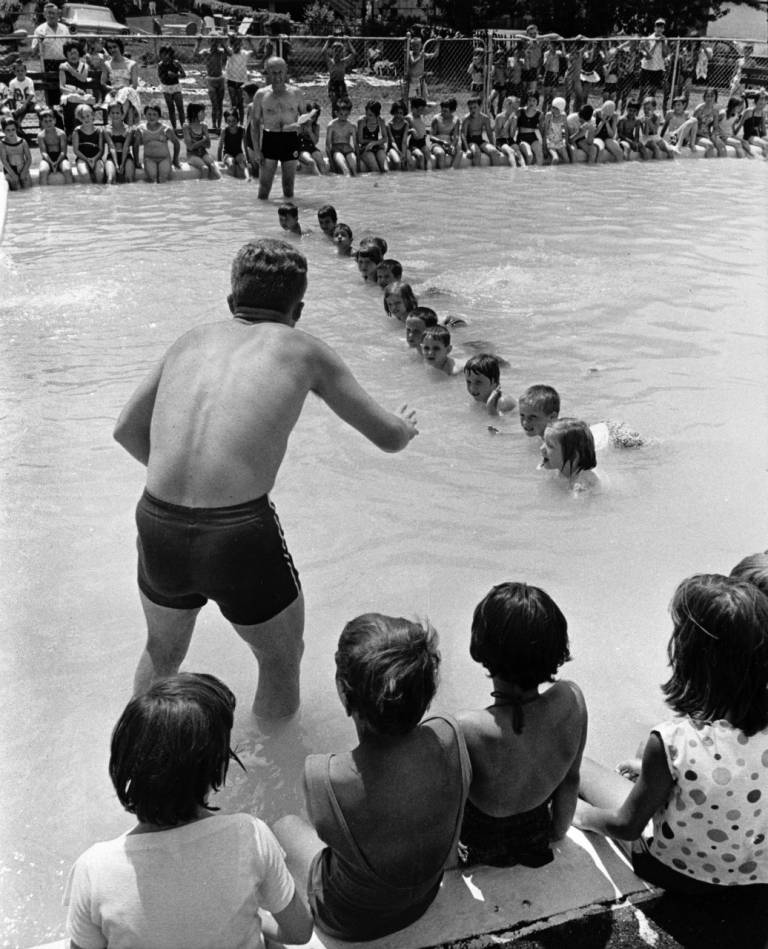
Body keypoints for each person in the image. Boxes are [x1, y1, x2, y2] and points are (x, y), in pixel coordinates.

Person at [113, 240, 418, 719]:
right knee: (279, 660)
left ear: (231, 301)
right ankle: (272, 775)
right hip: (237, 533)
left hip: (158, 520)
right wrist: (406, 425)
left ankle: (139, 770)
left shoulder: (190, 340)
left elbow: (125, 430)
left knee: (162, 650)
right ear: (297, 310)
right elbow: (388, 437)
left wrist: (185, 492)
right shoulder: (305, 349)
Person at [64, 673, 313, 949]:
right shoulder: (250, 835)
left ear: (124, 762)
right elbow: (299, 932)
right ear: (216, 768)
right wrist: (254, 918)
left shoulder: (94, 868)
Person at [273, 614, 471, 940]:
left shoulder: (323, 775)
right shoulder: (449, 734)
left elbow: (334, 838)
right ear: (429, 691)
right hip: (424, 898)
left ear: (341, 690)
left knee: (283, 825)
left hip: (347, 921)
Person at [576, 574, 768, 898]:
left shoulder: (673, 740)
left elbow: (627, 826)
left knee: (580, 766)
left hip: (675, 873)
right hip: (754, 885)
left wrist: (579, 815)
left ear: (691, 659)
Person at [457, 582, 587, 867]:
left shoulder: (466, 729)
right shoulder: (571, 699)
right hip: (536, 838)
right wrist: (556, 833)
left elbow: (445, 812)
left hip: (480, 849)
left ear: (480, 646)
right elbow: (571, 780)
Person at [251, 57, 304, 200]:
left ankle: (289, 216)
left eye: (280, 72)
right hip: (270, 139)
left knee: (288, 188)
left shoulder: (296, 93)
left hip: (290, 139)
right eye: (273, 73)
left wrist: (300, 126)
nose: (277, 76)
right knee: (264, 189)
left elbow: (305, 119)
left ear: (286, 71)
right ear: (267, 72)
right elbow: (255, 125)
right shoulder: (261, 95)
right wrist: (257, 151)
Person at [539, 418, 600, 493]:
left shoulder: (584, 481)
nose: (541, 448)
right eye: (544, 441)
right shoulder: (559, 468)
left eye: (550, 445)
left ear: (573, 455)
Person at [31, 2, 70, 106]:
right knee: (50, 92)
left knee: (65, 91)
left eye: (53, 13)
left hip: (64, 63)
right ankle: (53, 116)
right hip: (48, 64)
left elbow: (70, 47)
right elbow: (33, 53)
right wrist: (40, 41)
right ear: (44, 15)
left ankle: (66, 116)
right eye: (48, 13)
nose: (51, 15)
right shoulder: (39, 30)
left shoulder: (65, 29)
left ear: (58, 14)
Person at [136, 102, 180, 183]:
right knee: (152, 178)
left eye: (154, 114)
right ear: (144, 115)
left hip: (164, 158)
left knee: (163, 178)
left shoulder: (166, 129)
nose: (151, 117)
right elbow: (136, 146)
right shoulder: (141, 129)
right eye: (149, 114)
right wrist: (136, 161)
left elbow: (176, 143)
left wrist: (175, 159)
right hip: (149, 159)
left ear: (159, 116)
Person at [194, 35, 228, 135]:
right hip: (211, 80)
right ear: (209, 42)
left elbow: (229, 53)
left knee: (220, 104)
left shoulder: (221, 52)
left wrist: (223, 43)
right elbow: (195, 55)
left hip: (220, 79)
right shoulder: (206, 52)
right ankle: (213, 125)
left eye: (216, 41)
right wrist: (198, 42)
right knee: (214, 104)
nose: (214, 43)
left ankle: (218, 125)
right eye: (212, 41)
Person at [103, 38, 141, 126]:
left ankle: (118, 123)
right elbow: (103, 83)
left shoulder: (132, 64)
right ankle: (118, 126)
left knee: (125, 95)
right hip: (113, 92)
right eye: (109, 48)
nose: (112, 50)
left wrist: (122, 90)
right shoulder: (106, 64)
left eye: (114, 47)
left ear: (120, 47)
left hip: (129, 92)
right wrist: (112, 88)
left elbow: (134, 84)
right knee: (113, 100)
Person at [183, 102, 221, 179]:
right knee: (205, 168)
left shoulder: (204, 125)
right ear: (195, 113)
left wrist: (200, 142)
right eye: (202, 112)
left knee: (213, 167)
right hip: (191, 155)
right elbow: (190, 147)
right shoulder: (187, 126)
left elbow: (208, 145)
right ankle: (202, 189)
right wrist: (203, 141)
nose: (205, 114)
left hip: (203, 153)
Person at [36, 108, 73, 184]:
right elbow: (43, 152)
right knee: (42, 171)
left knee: (67, 170)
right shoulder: (41, 135)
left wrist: (57, 162)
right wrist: (51, 162)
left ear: (54, 121)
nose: (48, 123)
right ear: (41, 123)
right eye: (45, 121)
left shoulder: (61, 134)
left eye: (50, 121)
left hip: (61, 157)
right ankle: (44, 193)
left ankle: (70, 192)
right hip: (48, 158)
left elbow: (63, 152)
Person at [462, 95, 501, 166]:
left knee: (493, 151)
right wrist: (467, 149)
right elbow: (463, 135)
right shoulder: (466, 119)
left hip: (479, 140)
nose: (472, 110)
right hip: (470, 140)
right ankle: (476, 174)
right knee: (477, 152)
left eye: (475, 107)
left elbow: (489, 133)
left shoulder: (485, 118)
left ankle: (496, 174)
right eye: (470, 108)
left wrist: (493, 145)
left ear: (480, 107)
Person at [639, 18, 669, 109]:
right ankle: (637, 111)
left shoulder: (664, 39)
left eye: (662, 27)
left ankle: (649, 113)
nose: (659, 29)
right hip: (646, 68)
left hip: (658, 69)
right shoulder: (648, 39)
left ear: (663, 29)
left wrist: (663, 43)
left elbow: (665, 54)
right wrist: (656, 43)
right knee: (642, 91)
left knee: (652, 93)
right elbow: (648, 56)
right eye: (658, 26)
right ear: (654, 27)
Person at [103, 101, 136, 184]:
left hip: (126, 156)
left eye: (117, 113)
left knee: (129, 178)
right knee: (110, 179)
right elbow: (112, 147)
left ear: (122, 114)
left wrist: (122, 163)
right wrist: (116, 164)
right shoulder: (107, 130)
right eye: (112, 113)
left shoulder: (128, 129)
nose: (115, 115)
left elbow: (126, 147)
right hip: (112, 156)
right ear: (109, 114)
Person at [71, 103, 105, 184]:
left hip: (96, 158)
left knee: (100, 173)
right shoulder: (77, 131)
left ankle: (99, 191)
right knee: (84, 174)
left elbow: (101, 150)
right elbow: (76, 150)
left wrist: (94, 159)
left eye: (88, 116)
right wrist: (87, 160)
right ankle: (89, 193)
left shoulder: (99, 131)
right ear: (79, 118)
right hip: (82, 158)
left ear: (93, 115)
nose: (86, 119)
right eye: (82, 117)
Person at [322, 36, 355, 118]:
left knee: (345, 102)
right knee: (335, 103)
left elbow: (354, 54)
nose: (337, 53)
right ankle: (334, 120)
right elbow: (323, 52)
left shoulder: (343, 62)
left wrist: (348, 42)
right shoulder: (330, 62)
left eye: (340, 51)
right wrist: (328, 41)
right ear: (332, 52)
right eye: (335, 50)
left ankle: (343, 118)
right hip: (333, 84)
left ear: (343, 52)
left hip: (341, 83)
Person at [157, 44, 186, 133]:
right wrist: (164, 76)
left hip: (175, 87)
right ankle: (174, 128)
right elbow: (160, 77)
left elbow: (184, 75)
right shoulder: (160, 65)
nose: (163, 56)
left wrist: (175, 75)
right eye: (161, 54)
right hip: (166, 88)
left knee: (180, 108)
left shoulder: (175, 63)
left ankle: (184, 128)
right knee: (171, 108)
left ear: (170, 54)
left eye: (166, 54)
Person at [325, 97, 357, 175]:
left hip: (348, 149)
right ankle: (345, 184)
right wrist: (331, 161)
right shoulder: (331, 125)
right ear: (336, 113)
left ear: (349, 113)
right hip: (336, 150)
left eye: (346, 115)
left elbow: (356, 145)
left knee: (354, 168)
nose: (343, 117)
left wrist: (358, 159)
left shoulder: (351, 126)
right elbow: (327, 145)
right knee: (345, 169)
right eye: (341, 114)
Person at [430, 97, 462, 169]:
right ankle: (441, 173)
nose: (442, 113)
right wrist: (441, 142)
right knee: (441, 153)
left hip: (449, 143)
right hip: (437, 143)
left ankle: (451, 171)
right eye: (442, 110)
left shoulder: (456, 120)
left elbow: (456, 136)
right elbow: (431, 136)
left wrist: (453, 146)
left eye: (445, 111)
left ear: (452, 111)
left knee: (460, 152)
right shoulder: (436, 119)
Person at [357, 98, 388, 173]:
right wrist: (371, 142)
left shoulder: (380, 120)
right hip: (365, 148)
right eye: (366, 113)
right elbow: (360, 140)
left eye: (370, 115)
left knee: (385, 169)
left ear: (377, 115)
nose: (367, 116)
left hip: (377, 147)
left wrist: (374, 143)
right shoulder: (362, 121)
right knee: (375, 169)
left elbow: (385, 138)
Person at [0, 116, 32, 189]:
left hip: (23, 167)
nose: (11, 132)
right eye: (8, 130)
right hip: (10, 170)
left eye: (13, 129)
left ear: (16, 129)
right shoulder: (2, 144)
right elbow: (4, 161)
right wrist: (13, 174)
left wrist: (24, 171)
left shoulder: (23, 142)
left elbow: (29, 159)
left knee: (27, 187)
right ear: (3, 131)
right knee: (16, 186)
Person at [297, 102, 328, 175]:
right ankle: (320, 178)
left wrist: (310, 131)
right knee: (311, 162)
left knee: (321, 162)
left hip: (311, 147)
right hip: (300, 149)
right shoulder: (299, 123)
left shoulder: (316, 126)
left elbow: (315, 142)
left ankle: (325, 179)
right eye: (310, 115)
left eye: (314, 117)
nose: (311, 119)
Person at [407, 35, 439, 101]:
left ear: (421, 45)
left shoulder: (422, 54)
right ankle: (411, 108)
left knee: (424, 97)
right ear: (411, 46)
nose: (415, 47)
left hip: (421, 79)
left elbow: (435, 55)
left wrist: (438, 43)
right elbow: (412, 63)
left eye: (417, 45)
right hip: (412, 79)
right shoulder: (410, 54)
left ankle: (423, 107)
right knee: (412, 98)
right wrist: (420, 57)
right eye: (413, 45)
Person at [218, 109, 249, 179]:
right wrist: (219, 161)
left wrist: (248, 159)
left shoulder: (242, 130)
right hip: (227, 154)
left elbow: (245, 146)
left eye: (233, 121)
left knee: (242, 164)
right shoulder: (224, 131)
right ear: (226, 121)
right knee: (231, 164)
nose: (231, 123)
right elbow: (220, 147)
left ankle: (247, 179)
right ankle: (232, 182)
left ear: (237, 120)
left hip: (239, 153)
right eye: (229, 121)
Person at [8, 60, 39, 125]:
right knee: (18, 109)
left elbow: (31, 94)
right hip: (18, 103)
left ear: (25, 71)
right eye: (18, 71)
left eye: (22, 70)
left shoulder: (29, 81)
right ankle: (17, 125)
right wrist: (12, 108)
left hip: (30, 103)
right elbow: (10, 97)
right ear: (14, 72)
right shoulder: (12, 83)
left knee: (25, 108)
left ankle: (16, 123)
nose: (20, 72)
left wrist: (25, 104)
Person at [387, 99, 413, 171]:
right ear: (393, 112)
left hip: (403, 147)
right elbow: (392, 142)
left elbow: (404, 141)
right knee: (397, 162)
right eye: (397, 113)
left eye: (401, 113)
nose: (399, 115)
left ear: (404, 113)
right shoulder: (389, 124)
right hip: (392, 148)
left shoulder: (406, 124)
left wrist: (404, 154)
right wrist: (399, 152)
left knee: (409, 162)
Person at [741, 90, 768, 158]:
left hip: (758, 135)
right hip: (749, 136)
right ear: (756, 101)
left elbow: (763, 129)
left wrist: (764, 137)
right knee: (765, 145)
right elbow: (739, 125)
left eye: (765, 101)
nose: (763, 103)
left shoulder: (763, 113)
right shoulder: (749, 111)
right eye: (761, 101)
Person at [407, 95, 431, 169]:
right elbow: (404, 131)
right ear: (413, 109)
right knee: (420, 156)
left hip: (422, 143)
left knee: (428, 155)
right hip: (413, 144)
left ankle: (428, 174)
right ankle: (421, 177)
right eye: (420, 110)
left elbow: (421, 127)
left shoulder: (421, 116)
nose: (422, 112)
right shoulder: (409, 118)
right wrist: (411, 131)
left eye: (422, 110)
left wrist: (426, 131)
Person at [543, 96, 569, 164]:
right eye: (553, 108)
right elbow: (545, 131)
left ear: (561, 109)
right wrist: (544, 147)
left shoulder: (563, 116)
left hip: (560, 142)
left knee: (567, 160)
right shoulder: (548, 115)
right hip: (550, 142)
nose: (553, 110)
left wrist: (565, 143)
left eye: (556, 109)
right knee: (555, 159)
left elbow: (565, 130)